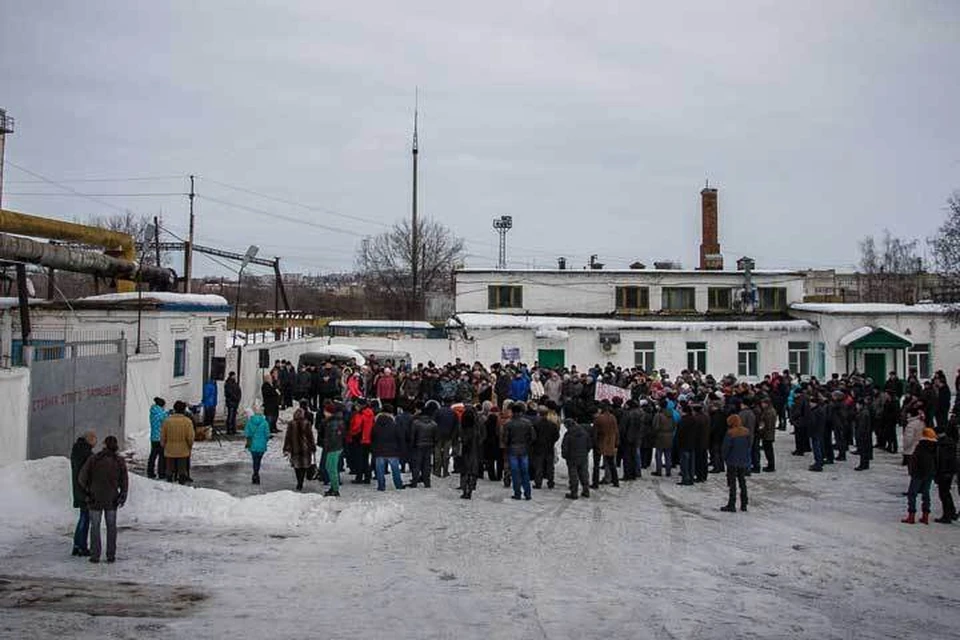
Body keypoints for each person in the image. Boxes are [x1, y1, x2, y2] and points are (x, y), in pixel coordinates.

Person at [77, 435, 128, 564]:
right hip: (112, 499)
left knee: (95, 527)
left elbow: (82, 477)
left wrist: (88, 490)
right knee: (111, 527)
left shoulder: (94, 459)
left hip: (95, 498)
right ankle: (111, 555)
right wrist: (122, 494)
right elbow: (124, 481)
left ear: (104, 445)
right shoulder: (119, 461)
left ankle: (95, 555)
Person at [902, 427, 938, 524]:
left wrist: (912, 471)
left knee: (912, 494)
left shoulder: (921, 446)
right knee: (926, 494)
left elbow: (916, 460)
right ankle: (925, 515)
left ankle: (911, 516)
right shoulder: (935, 447)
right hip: (929, 473)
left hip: (918, 474)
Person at [70, 431, 96, 557]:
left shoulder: (77, 450)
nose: (96, 441)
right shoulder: (87, 454)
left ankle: (77, 544)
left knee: (83, 517)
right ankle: (82, 546)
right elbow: (87, 473)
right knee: (85, 518)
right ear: (90, 440)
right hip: (84, 490)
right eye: (94, 439)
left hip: (78, 488)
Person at [505, 401, 536, 500]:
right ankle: (527, 493)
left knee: (515, 473)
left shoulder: (509, 424)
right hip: (524, 449)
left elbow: (505, 439)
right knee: (525, 472)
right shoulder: (527, 423)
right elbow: (533, 436)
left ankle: (517, 492)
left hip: (513, 449)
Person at [721, 414, 751, 513]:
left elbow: (726, 448)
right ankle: (744, 503)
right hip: (743, 460)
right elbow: (748, 445)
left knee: (732, 482)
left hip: (732, 460)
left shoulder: (730, 433)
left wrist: (724, 457)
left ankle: (732, 503)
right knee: (742, 481)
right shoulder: (746, 432)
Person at [371, 404, 405, 492]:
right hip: (393, 450)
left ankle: (381, 486)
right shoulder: (394, 423)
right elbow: (399, 437)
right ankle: (398, 485)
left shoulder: (376, 423)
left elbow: (372, 436)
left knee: (380, 470)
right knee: (395, 469)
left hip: (379, 450)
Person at [161, 401, 195, 484]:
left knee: (169, 469)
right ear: (184, 410)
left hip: (169, 449)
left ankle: (169, 483)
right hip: (183, 450)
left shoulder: (167, 421)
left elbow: (163, 435)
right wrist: (189, 446)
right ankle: (182, 483)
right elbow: (190, 437)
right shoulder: (187, 421)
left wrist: (164, 445)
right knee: (182, 469)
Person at [283, 408, 316, 491]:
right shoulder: (307, 423)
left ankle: (299, 481)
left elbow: (288, 437)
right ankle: (301, 480)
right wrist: (312, 447)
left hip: (295, 448)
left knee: (297, 466)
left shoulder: (291, 424)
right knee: (304, 466)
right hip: (306, 448)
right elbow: (310, 436)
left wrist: (286, 448)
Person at [319, 401, 346, 497]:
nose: (324, 413)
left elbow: (333, 437)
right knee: (329, 467)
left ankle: (335, 489)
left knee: (331, 468)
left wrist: (327, 446)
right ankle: (333, 487)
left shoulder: (332, 423)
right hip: (335, 447)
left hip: (333, 448)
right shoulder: (335, 421)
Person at [410, 402, 438, 488]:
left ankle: (414, 482)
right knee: (427, 465)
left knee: (416, 465)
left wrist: (411, 446)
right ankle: (427, 482)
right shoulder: (434, 424)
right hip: (429, 446)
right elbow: (435, 437)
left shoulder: (416, 423)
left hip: (418, 446)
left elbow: (412, 436)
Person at [562, 418, 591, 499]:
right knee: (584, 474)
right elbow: (589, 445)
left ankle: (574, 492)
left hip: (572, 458)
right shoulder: (584, 433)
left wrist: (565, 456)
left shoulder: (568, 434)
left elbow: (565, 447)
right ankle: (586, 490)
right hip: (583, 457)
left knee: (573, 475)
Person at [934, 425, 958, 523]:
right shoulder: (950, 442)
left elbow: (942, 460)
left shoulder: (941, 445)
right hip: (949, 472)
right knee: (946, 493)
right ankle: (952, 512)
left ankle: (947, 515)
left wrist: (940, 473)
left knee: (943, 494)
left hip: (944, 472)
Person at [458, 406, 482, 499]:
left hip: (465, 451)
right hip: (474, 451)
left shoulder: (462, 428)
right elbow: (481, 437)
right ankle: (471, 488)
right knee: (473, 471)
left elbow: (460, 438)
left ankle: (464, 489)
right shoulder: (476, 428)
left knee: (464, 471)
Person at [594, 403, 620, 487]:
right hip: (610, 443)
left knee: (596, 465)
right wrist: (616, 443)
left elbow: (595, 433)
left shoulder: (598, 419)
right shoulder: (613, 418)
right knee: (611, 464)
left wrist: (593, 443)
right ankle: (615, 481)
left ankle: (595, 483)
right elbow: (616, 431)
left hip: (600, 443)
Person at [244, 405, 271, 484]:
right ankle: (256, 473)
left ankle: (255, 473)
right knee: (258, 460)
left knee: (254, 459)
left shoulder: (250, 422)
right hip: (262, 445)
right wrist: (265, 441)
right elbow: (267, 434)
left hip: (253, 445)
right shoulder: (265, 423)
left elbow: (246, 433)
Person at [651, 401, 674, 477]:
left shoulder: (658, 415)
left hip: (660, 436)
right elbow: (674, 425)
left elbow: (655, 426)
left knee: (658, 455)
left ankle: (659, 471)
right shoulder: (671, 415)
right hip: (669, 436)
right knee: (668, 455)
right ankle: (668, 471)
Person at [147, 398, 167, 479]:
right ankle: (161, 473)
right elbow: (165, 420)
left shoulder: (152, 412)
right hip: (160, 437)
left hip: (153, 437)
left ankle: (150, 472)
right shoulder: (161, 413)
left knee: (153, 455)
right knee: (162, 456)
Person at [759, 397, 777, 472]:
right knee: (768, 450)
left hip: (767, 434)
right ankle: (770, 464)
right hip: (768, 433)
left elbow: (767, 424)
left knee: (768, 450)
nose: (761, 405)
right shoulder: (769, 410)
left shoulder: (769, 412)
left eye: (763, 403)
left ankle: (771, 466)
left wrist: (762, 430)